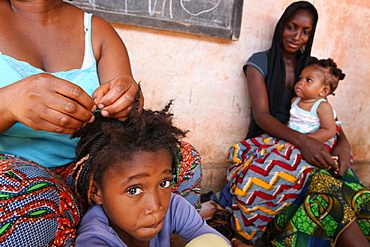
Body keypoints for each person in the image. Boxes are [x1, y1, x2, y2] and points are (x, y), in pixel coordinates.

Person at [0, 1, 201, 246]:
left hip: (89, 175)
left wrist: (127, 103)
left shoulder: (97, 32)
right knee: (29, 195)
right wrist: (8, 104)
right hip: (17, 176)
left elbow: (126, 132)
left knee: (183, 159)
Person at [206, 1, 370, 247]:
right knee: (310, 183)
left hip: (311, 143)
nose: (297, 36)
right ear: (281, 25)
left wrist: (343, 144)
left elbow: (328, 116)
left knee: (340, 179)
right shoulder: (259, 63)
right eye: (291, 27)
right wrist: (304, 142)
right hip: (275, 143)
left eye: (305, 31)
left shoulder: (314, 68)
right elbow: (262, 116)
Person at [73, 99, 230, 247]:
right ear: (96, 192)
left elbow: (212, 239)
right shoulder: (94, 238)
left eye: (164, 183)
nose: (155, 206)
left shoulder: (174, 207)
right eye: (133, 190)